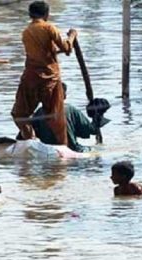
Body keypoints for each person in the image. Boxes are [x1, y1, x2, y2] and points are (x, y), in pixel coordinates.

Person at [11, 1, 78, 144]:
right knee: (56, 117)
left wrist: (57, 50)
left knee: (19, 114)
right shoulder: (49, 28)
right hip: (50, 78)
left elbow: (42, 52)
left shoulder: (26, 32)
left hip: (30, 78)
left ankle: (31, 139)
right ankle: (62, 148)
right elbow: (66, 48)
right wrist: (72, 36)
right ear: (47, 14)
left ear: (30, 15)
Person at [29, 83, 109, 152]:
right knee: (98, 150)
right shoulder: (70, 109)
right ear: (62, 95)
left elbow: (30, 133)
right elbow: (91, 130)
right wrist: (98, 115)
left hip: (48, 150)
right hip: (71, 149)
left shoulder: (40, 112)